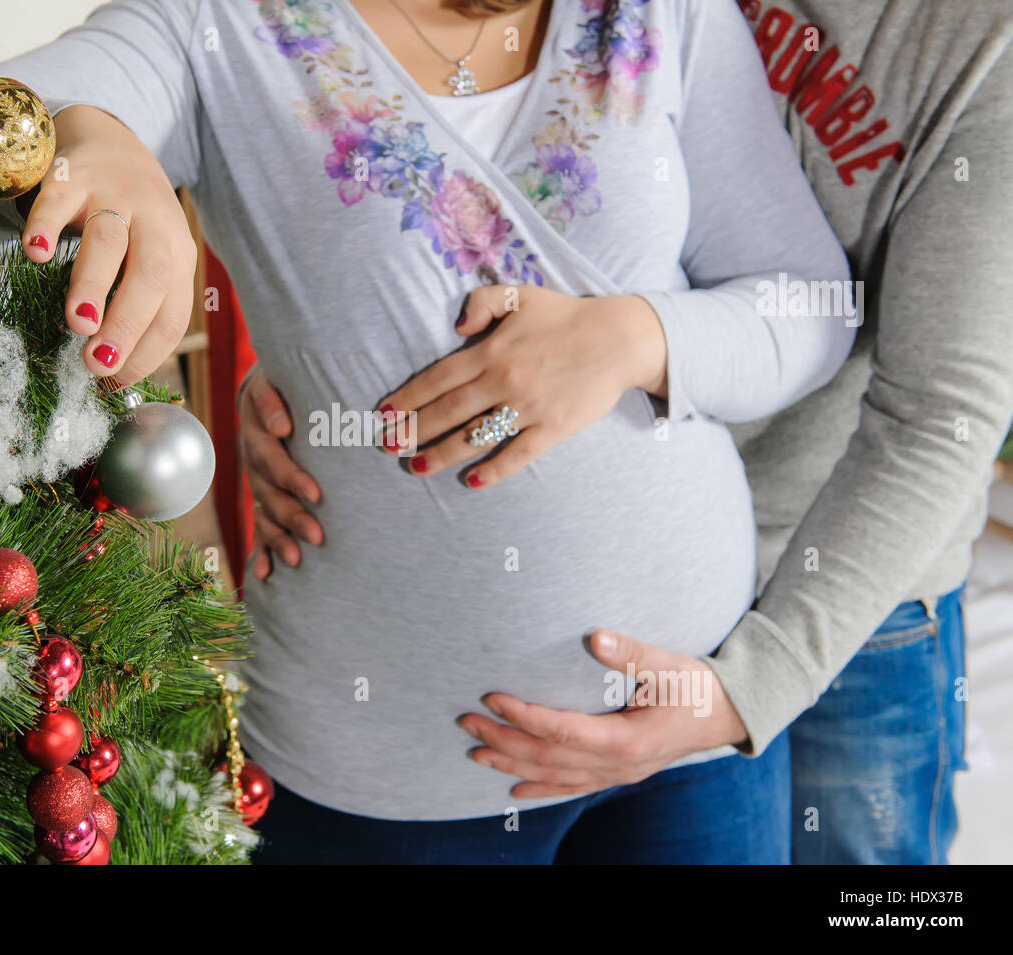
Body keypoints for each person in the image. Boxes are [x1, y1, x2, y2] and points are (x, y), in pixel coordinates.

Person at [0, 0, 854, 863]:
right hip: (376, 772)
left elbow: (808, 305)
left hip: (691, 727)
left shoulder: (668, 13)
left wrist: (636, 339)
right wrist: (93, 138)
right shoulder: (218, 22)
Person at [242, 0, 1013, 864]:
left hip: (842, 595)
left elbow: (942, 414)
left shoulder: (985, 43)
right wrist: (312, 378)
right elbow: (494, 208)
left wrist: (751, 689)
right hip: (618, 581)